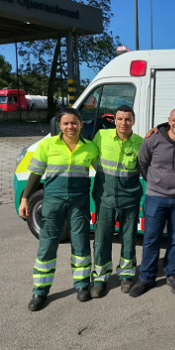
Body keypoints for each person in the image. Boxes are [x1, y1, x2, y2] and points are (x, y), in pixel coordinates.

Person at [19, 108, 99, 311]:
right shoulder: (47, 144)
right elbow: (36, 174)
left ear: (81, 124)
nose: (70, 127)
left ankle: (82, 286)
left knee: (81, 245)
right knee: (47, 246)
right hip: (52, 202)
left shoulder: (90, 148)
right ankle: (40, 291)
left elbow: (103, 172)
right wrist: (25, 199)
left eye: (74, 123)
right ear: (59, 125)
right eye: (66, 123)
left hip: (79, 204)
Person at [130, 107, 175, 297]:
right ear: (169, 120)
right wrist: (153, 181)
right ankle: (146, 277)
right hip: (155, 198)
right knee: (151, 239)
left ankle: (172, 275)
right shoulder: (153, 139)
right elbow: (141, 162)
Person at [90, 105, 144, 298]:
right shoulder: (102, 136)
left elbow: (145, 168)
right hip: (105, 198)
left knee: (128, 239)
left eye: (128, 119)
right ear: (114, 120)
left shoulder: (140, 142)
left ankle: (127, 275)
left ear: (133, 121)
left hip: (130, 199)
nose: (124, 123)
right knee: (102, 240)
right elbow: (88, 155)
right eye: (120, 119)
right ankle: (100, 278)